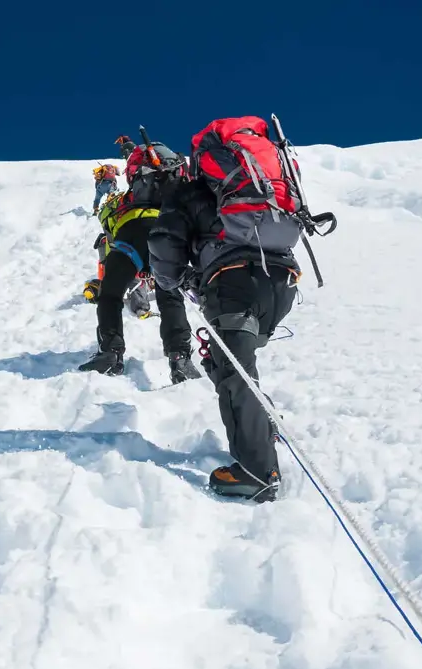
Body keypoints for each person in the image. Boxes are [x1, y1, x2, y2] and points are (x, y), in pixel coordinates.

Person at [147, 116, 306, 502]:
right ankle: (261, 425)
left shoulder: (192, 193)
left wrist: (172, 280)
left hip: (233, 281)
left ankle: (256, 471)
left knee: (235, 372)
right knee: (229, 363)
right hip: (281, 283)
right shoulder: (262, 191)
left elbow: (165, 244)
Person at [79, 142, 202, 385]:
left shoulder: (126, 198)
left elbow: (108, 224)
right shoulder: (169, 192)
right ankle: (180, 358)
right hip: (165, 234)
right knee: (170, 296)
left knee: (111, 293)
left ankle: (111, 353)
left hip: (130, 237)